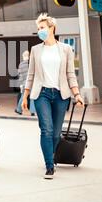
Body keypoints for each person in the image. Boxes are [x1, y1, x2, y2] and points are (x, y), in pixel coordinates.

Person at [22, 13, 85, 180]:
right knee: (47, 129)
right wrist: (25, 96)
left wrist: (77, 94)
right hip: (41, 93)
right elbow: (31, 74)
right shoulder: (35, 50)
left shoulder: (66, 49)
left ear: (52, 28)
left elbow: (70, 73)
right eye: (38, 29)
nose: (39, 31)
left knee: (56, 133)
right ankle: (49, 166)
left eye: (42, 28)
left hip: (60, 95)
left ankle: (50, 155)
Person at [15, 50, 36, 116]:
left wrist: (21, 84)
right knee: (32, 97)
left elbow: (20, 75)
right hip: (32, 82)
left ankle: (19, 110)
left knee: (23, 96)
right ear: (29, 56)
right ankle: (32, 111)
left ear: (23, 56)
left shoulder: (21, 64)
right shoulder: (31, 63)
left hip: (24, 83)